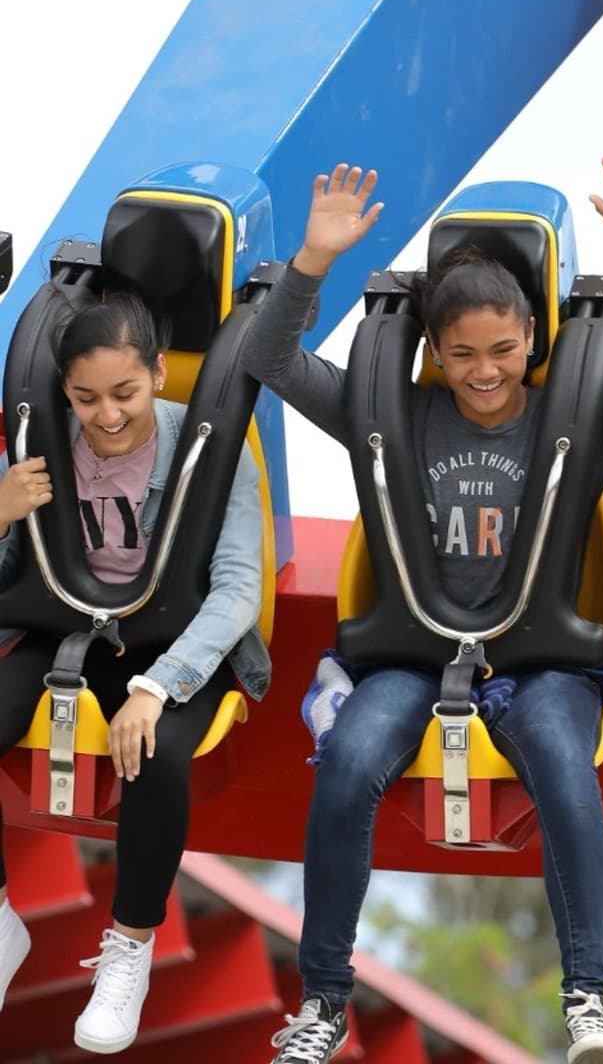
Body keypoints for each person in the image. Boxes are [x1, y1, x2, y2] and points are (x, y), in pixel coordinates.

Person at [242, 156, 603, 1064]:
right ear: (431, 352)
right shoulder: (394, 412)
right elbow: (267, 358)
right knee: (347, 767)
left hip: (542, 663)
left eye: (502, 351)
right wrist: (313, 260)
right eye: (461, 354)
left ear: (532, 338)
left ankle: (586, 999)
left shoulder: (581, 412)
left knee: (569, 773)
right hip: (411, 656)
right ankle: (325, 1001)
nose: (484, 372)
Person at [0, 292, 269, 1052]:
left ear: (158, 372)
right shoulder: (41, 446)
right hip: (64, 635)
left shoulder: (212, 449)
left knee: (153, 753)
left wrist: (159, 686)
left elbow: (239, 589)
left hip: (172, 648)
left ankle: (130, 947)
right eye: (85, 399)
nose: (108, 416)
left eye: (125, 393)